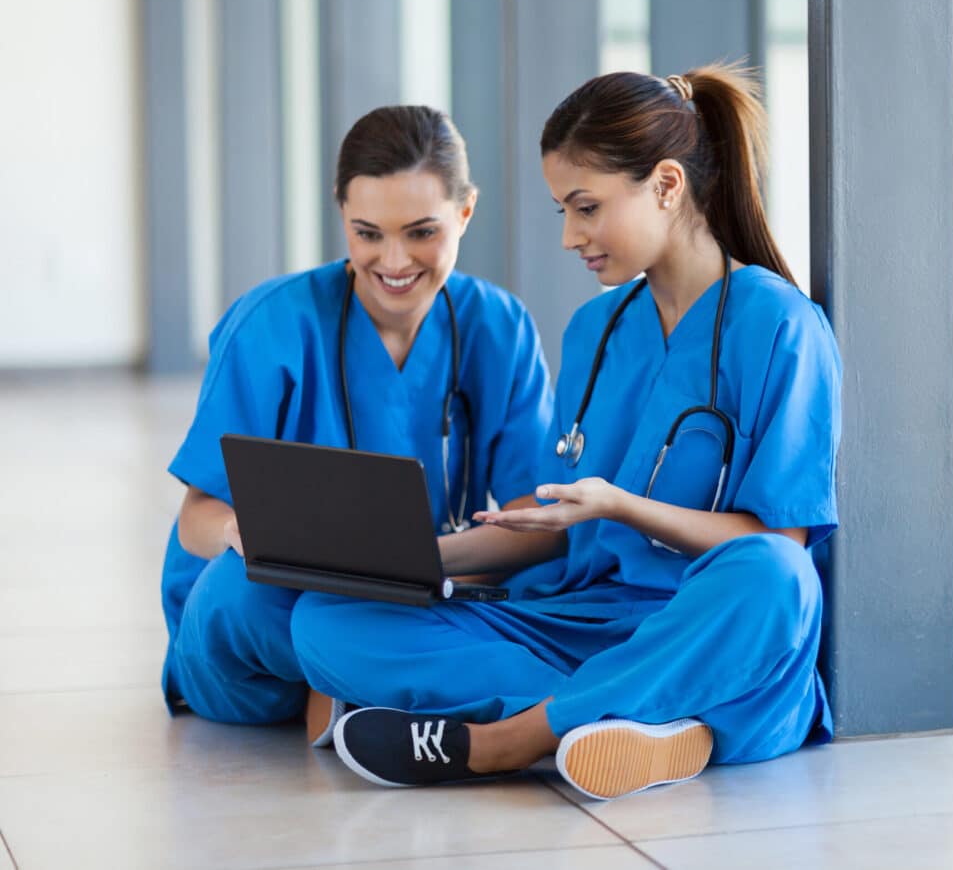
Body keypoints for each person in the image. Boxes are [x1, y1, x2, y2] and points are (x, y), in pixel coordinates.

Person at [289, 64, 842, 799]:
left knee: (775, 582)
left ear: (668, 186)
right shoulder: (597, 329)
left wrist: (621, 505)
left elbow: (778, 542)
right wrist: (399, 559)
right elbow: (556, 529)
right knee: (327, 621)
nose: (570, 237)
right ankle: (646, 718)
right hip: (580, 618)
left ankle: (506, 740)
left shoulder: (780, 327)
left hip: (700, 617)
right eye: (562, 212)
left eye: (586, 208)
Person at [160, 105, 554, 738]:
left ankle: (371, 691)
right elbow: (195, 520)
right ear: (341, 214)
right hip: (269, 616)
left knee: (553, 579)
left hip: (429, 588)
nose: (394, 261)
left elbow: (533, 520)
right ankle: (416, 688)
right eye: (368, 233)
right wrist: (251, 535)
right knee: (240, 592)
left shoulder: (499, 327)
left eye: (421, 232)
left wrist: (429, 573)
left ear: (465, 212)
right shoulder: (271, 324)